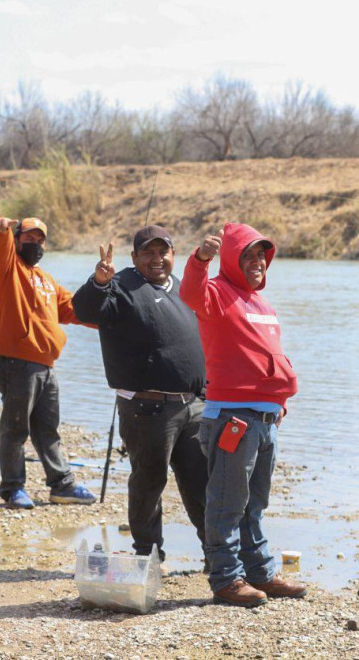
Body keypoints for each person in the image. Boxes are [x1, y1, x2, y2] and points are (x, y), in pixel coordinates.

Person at [180, 222, 307, 608]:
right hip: (233, 419)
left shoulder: (262, 304)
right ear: (231, 259)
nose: (257, 262)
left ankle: (260, 573)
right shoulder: (217, 293)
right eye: (247, 255)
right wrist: (201, 259)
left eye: (261, 255)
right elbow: (190, 292)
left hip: (266, 421)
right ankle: (225, 579)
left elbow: (269, 359)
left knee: (255, 504)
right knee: (226, 503)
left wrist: (280, 400)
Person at [72, 225, 208, 562]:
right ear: (134, 257)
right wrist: (99, 282)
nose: (156, 258)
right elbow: (85, 310)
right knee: (149, 482)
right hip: (147, 409)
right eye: (148, 252)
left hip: (194, 405)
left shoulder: (182, 288)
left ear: (174, 255)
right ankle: (148, 556)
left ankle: (217, 554)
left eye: (163, 251)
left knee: (202, 481)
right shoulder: (119, 285)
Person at [0, 216, 96, 509]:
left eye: (40, 240)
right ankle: (12, 488)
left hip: (46, 366)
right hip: (15, 363)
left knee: (48, 429)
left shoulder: (46, 280)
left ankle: (62, 485)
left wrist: (111, 316)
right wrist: (0, 232)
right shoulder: (7, 269)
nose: (34, 244)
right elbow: (0, 249)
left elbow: (74, 309)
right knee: (15, 429)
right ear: (16, 240)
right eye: (28, 238)